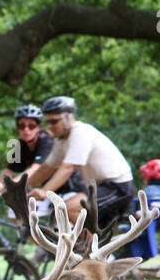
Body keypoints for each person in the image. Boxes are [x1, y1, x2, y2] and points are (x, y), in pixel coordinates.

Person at [24, 96, 136, 230]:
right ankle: (93, 247)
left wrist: (44, 191)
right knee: (66, 214)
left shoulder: (80, 133)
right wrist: (23, 186)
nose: (50, 127)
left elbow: (68, 168)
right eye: (48, 122)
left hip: (117, 187)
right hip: (97, 188)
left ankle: (92, 250)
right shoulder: (61, 140)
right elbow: (47, 167)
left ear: (67, 117)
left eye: (54, 121)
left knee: (66, 209)